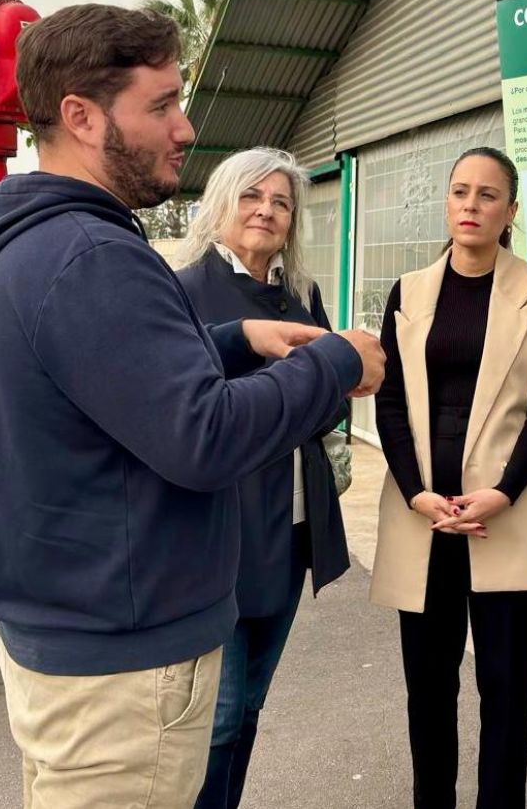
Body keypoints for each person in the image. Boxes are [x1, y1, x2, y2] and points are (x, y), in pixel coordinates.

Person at [0, 4, 384, 809]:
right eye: (162, 104)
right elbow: (203, 435)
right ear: (80, 114)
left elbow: (111, 384)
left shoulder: (42, 246)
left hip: (76, 648)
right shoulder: (94, 256)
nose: (185, 129)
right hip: (122, 674)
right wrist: (334, 360)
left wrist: (234, 338)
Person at [370, 146, 527, 809]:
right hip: (424, 521)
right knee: (428, 692)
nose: (470, 205)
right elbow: (390, 400)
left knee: (506, 695)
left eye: (487, 195)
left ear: (510, 211)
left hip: (503, 522)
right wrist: (416, 491)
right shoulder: (410, 292)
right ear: (446, 201)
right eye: (460, 192)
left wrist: (505, 491)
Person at [175, 147, 350, 809]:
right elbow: (187, 406)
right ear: (222, 203)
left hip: (293, 525)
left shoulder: (300, 293)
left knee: (247, 711)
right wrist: (293, 394)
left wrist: (311, 390)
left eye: (281, 202)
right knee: (215, 722)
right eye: (253, 196)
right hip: (222, 533)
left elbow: (336, 395)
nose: (266, 211)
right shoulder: (186, 290)